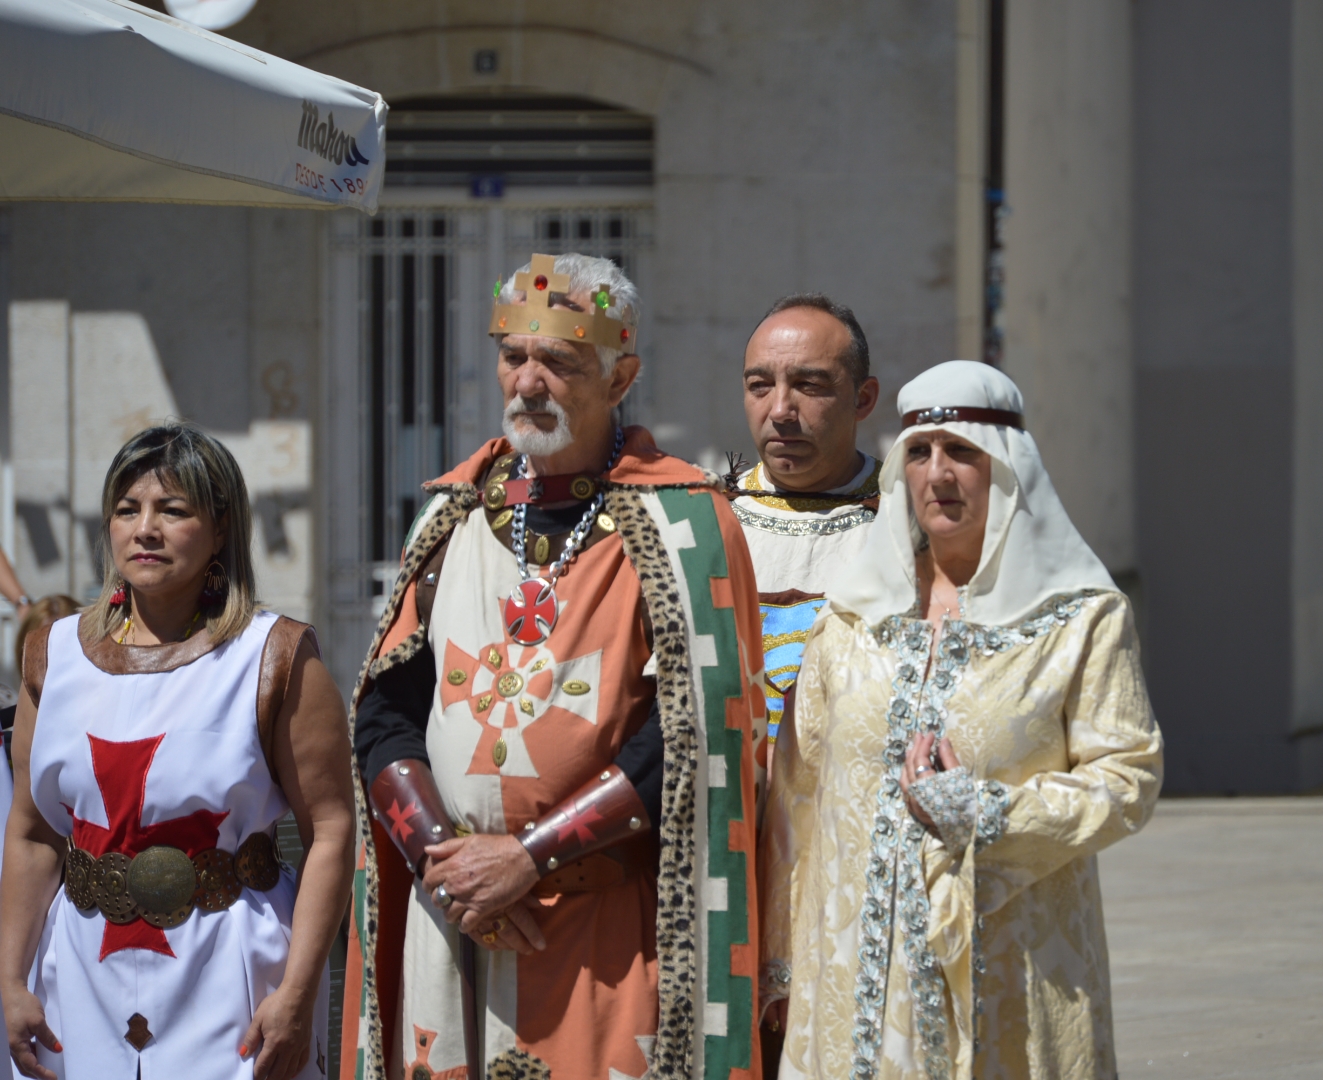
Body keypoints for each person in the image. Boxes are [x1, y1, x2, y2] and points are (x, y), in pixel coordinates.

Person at [345, 253, 769, 1080]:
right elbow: (385, 709)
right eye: (515, 357)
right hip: (455, 920)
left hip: (596, 932)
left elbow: (697, 737)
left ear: (621, 378)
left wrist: (526, 857)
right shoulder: (451, 513)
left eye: (560, 362)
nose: (529, 381)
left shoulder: (684, 524)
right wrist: (447, 865)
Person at [761, 361, 1164, 1080]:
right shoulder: (852, 622)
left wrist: (989, 813)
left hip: (1009, 972)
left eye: (961, 453)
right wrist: (783, 961)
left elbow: (1128, 777)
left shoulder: (1079, 621)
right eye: (918, 453)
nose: (938, 474)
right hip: (853, 987)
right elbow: (797, 794)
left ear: (1007, 471)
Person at [0, 423, 355, 1080]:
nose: (145, 530)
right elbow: (32, 834)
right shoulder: (53, 655)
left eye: (174, 510)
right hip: (78, 978)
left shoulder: (274, 656)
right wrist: (11, 981)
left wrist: (298, 994)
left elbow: (331, 830)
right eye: (127, 509)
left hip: (232, 973)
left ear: (220, 528)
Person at [732, 295, 881, 745]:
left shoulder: (909, 524)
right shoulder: (707, 521)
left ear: (863, 398)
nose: (779, 410)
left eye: (809, 386)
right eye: (760, 385)